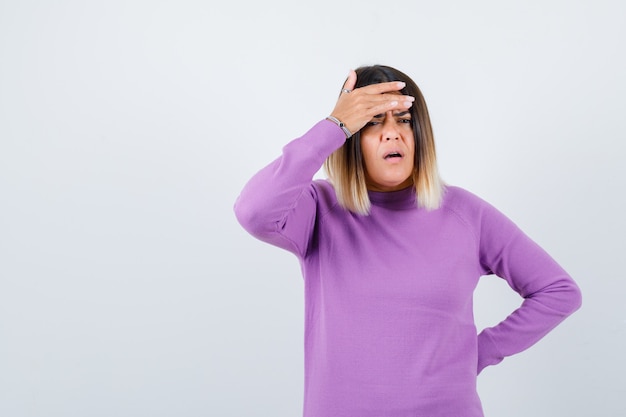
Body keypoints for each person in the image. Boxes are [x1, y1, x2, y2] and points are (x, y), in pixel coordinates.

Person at [233, 65, 582, 417]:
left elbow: (558, 291)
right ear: (351, 140)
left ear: (419, 134)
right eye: (371, 122)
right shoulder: (319, 210)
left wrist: (477, 352)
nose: (392, 134)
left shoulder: (465, 214)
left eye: (402, 120)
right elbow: (253, 211)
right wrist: (333, 127)